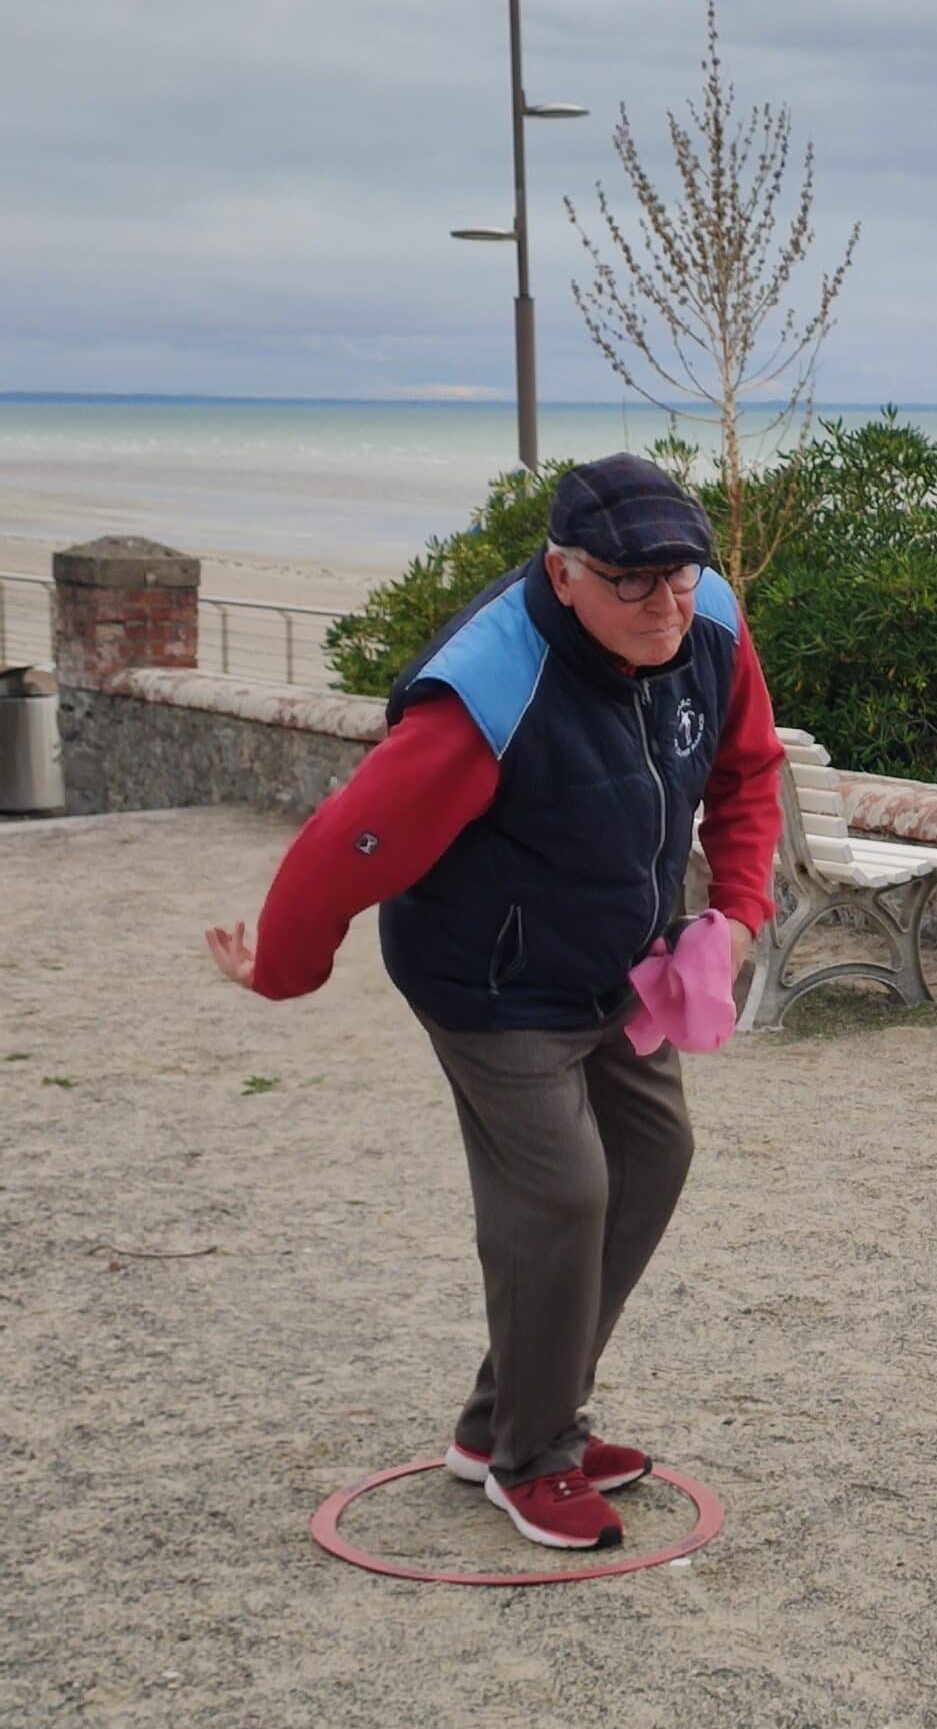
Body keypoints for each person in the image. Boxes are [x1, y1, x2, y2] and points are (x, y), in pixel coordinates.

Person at [206, 454, 784, 1549]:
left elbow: (745, 771)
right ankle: (532, 1458)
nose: (667, 604)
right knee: (561, 1193)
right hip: (491, 980)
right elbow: (347, 844)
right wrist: (283, 967)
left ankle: (503, 1422)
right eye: (633, 581)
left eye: (681, 575)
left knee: (653, 1157)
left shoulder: (704, 616)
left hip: (620, 962)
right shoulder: (484, 693)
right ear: (563, 573)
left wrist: (737, 914)